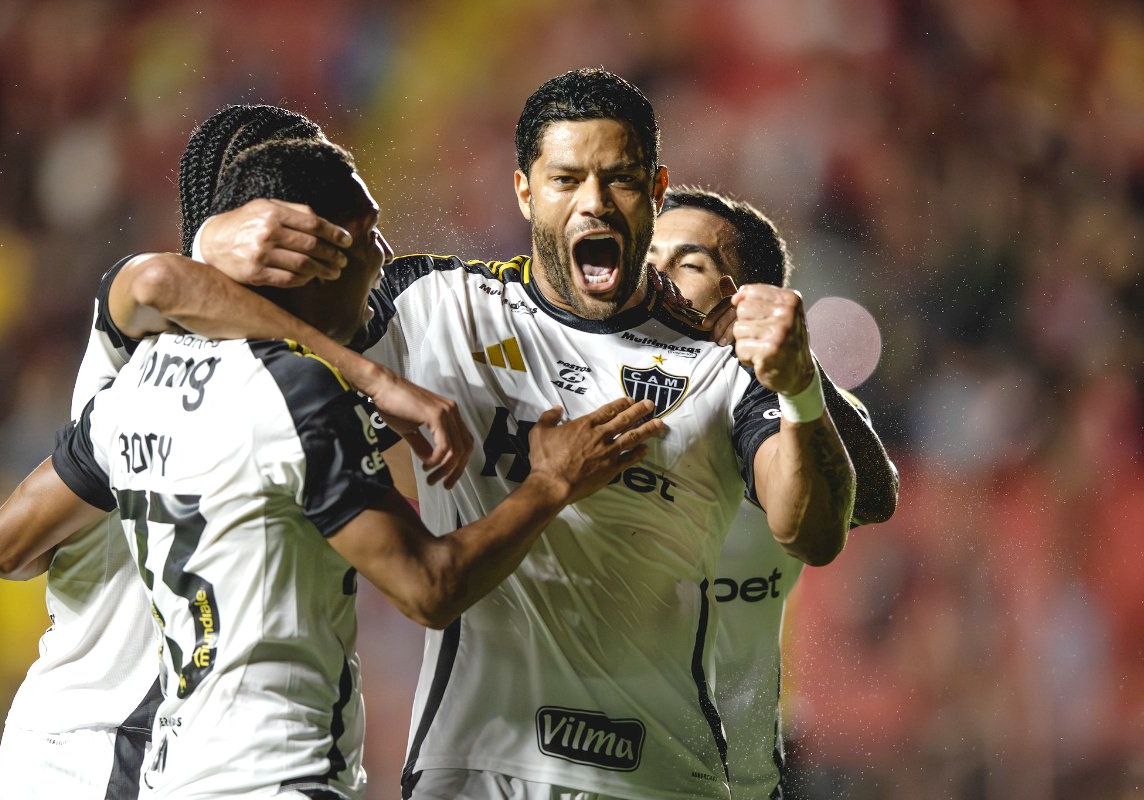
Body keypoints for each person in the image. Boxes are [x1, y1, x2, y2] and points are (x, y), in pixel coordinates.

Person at [175, 68, 856, 800]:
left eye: (619, 180)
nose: (593, 202)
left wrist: (801, 387)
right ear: (525, 191)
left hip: (658, 778)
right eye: (566, 180)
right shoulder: (433, 305)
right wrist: (208, 243)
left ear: (657, 192)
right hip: (473, 768)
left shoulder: (718, 362)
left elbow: (812, 532)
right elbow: (237, 325)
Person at [0, 136, 664, 799]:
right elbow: (431, 585)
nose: (386, 254)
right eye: (369, 235)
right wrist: (551, 484)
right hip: (269, 771)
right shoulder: (297, 393)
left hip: (157, 765)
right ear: (310, 254)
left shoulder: (135, 379)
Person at [0, 104, 474, 800]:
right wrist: (210, 244)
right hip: (119, 732)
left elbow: (0, 550)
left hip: (134, 742)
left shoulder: (279, 369)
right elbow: (156, 283)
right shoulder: (142, 335)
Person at [649, 185, 898, 798]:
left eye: (685, 264)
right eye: (647, 256)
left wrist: (797, 374)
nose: (653, 276)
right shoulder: (581, 370)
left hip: (735, 759)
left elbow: (873, 495)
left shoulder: (780, 410)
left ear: (742, 302)